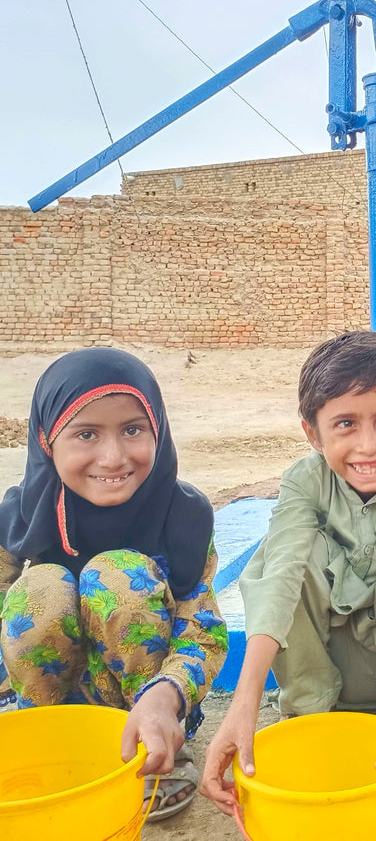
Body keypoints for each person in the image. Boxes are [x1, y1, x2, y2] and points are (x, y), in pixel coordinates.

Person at [200, 331, 376, 816]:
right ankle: (309, 716)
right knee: (279, 557)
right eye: (345, 423)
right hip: (329, 661)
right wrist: (243, 704)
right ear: (312, 432)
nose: (369, 445)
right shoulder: (303, 479)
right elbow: (280, 575)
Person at [0, 347, 227, 821]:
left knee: (116, 576)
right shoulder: (21, 515)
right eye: (86, 433)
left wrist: (167, 696)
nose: (114, 456)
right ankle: (44, 737)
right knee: (39, 588)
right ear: (47, 440)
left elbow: (202, 629)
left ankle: (156, 751)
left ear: (157, 429)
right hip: (49, 700)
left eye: (132, 429)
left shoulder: (183, 516)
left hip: (152, 700)